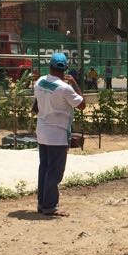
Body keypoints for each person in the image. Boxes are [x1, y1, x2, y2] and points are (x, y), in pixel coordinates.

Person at [34, 52, 86, 217]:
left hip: (42, 132)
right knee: (54, 171)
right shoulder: (65, 88)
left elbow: (36, 106)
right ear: (65, 70)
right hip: (57, 134)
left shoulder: (40, 81)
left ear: (49, 66)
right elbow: (82, 105)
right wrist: (75, 84)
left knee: (44, 168)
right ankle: (50, 206)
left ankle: (42, 203)